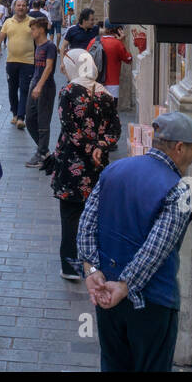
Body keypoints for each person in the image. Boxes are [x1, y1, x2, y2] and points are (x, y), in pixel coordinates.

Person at [77, 111, 192, 372]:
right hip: (151, 303)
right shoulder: (178, 190)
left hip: (107, 295)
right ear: (180, 148)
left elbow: (86, 225)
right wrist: (125, 285)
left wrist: (92, 270)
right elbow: (155, 250)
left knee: (113, 364)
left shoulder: (115, 169)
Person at [50, 49, 120, 279]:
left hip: (73, 164)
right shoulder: (106, 95)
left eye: (65, 64)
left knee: (70, 215)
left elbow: (70, 129)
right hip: (98, 167)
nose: (62, 68)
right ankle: (94, 264)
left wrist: (89, 148)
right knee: (94, 216)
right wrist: (100, 147)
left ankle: (70, 266)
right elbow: (115, 131)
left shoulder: (68, 92)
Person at [0, 0, 34, 129]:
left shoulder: (32, 22)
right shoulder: (8, 22)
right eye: (19, 5)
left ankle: (21, 117)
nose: (21, 7)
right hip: (11, 61)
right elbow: (1, 36)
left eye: (23, 5)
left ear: (27, 7)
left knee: (25, 89)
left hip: (28, 61)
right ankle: (15, 114)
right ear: (14, 7)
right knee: (12, 89)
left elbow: (39, 38)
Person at [24, 15, 59, 169]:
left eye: (33, 29)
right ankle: (43, 150)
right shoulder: (37, 44)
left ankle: (42, 153)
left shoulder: (50, 46)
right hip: (35, 83)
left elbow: (49, 67)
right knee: (30, 119)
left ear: (41, 30)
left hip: (45, 87)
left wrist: (39, 86)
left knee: (43, 121)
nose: (31, 32)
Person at [98, 21, 133, 97]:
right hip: (112, 85)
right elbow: (129, 59)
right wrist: (124, 42)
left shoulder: (94, 42)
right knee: (111, 107)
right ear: (118, 30)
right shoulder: (117, 44)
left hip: (96, 83)